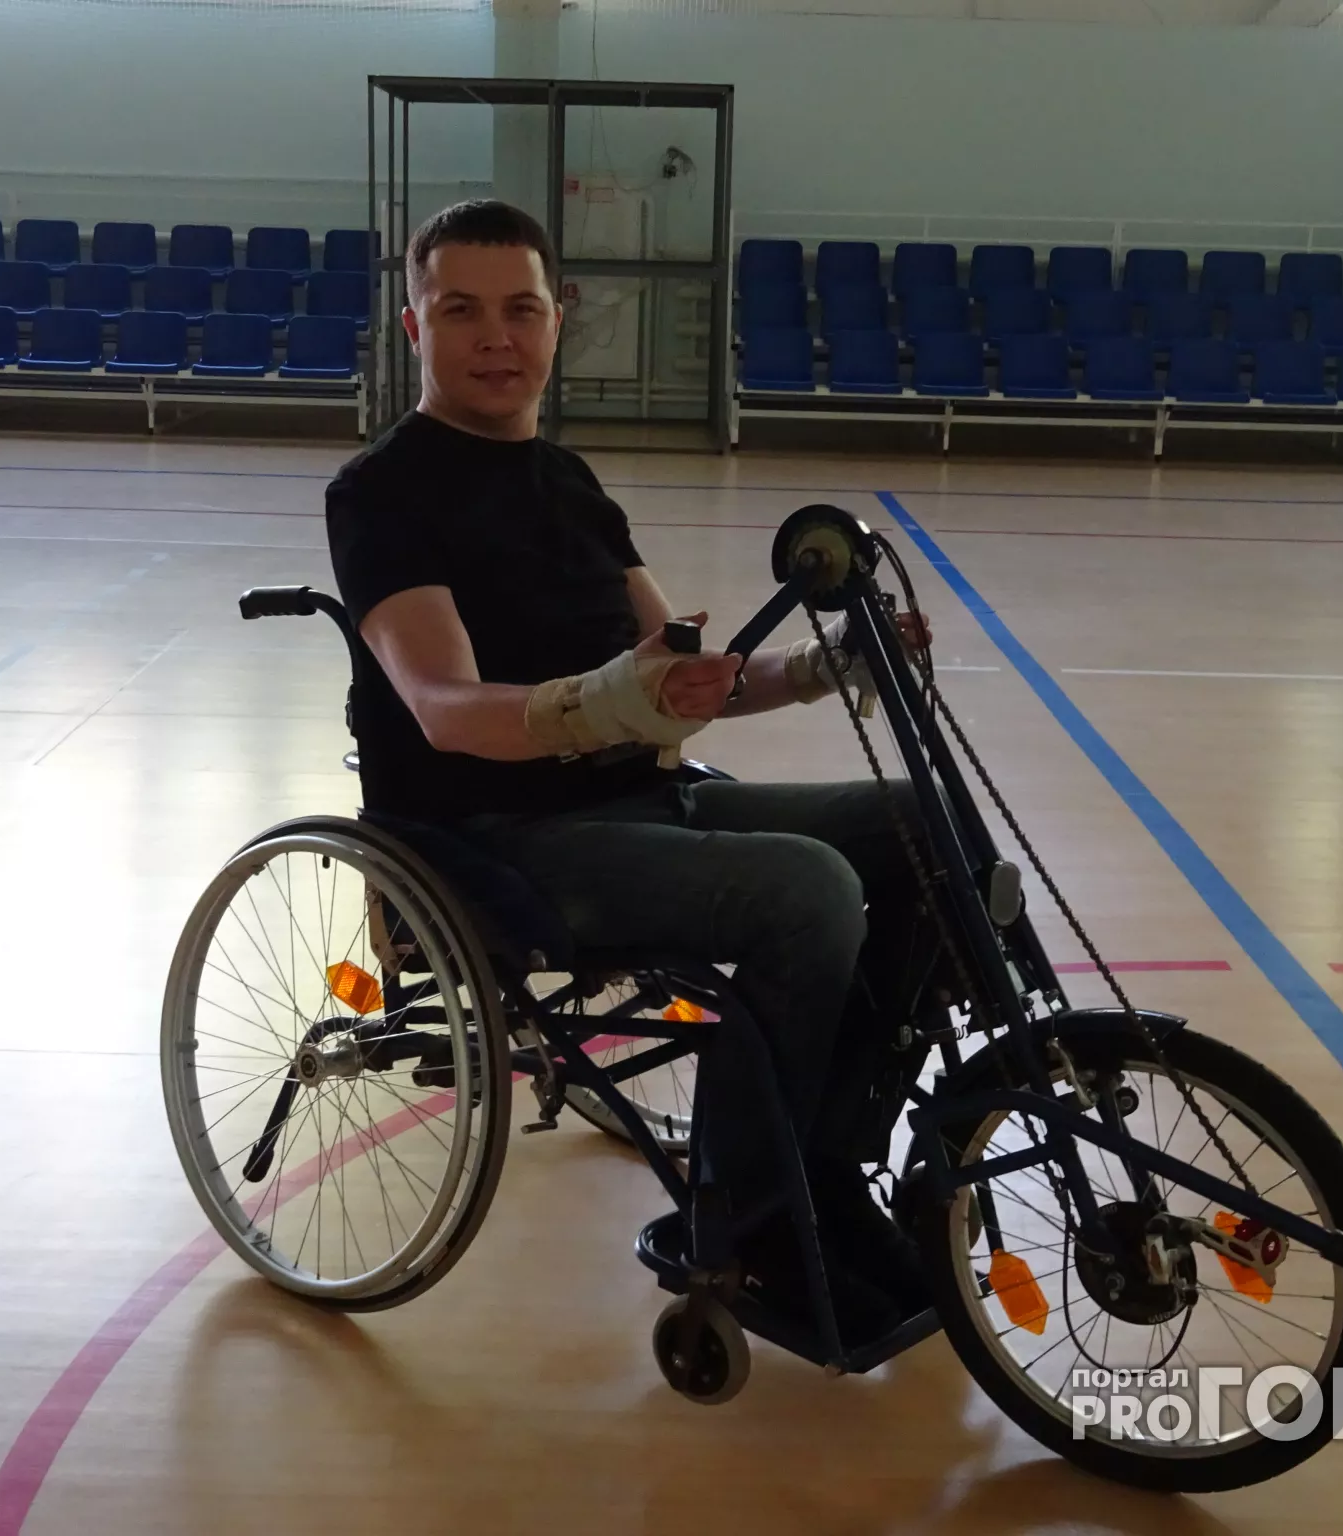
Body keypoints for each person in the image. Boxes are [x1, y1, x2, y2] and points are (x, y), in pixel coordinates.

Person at [325, 200, 938, 1339]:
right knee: (805, 888)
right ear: (414, 328)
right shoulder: (381, 493)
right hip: (495, 842)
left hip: (643, 802)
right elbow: (445, 711)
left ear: (559, 322)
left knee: (928, 828)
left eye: (521, 309)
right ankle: (747, 1226)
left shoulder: (569, 483)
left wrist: (826, 665)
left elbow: (684, 681)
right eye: (460, 311)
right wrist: (608, 700)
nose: (495, 337)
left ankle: (829, 1165)